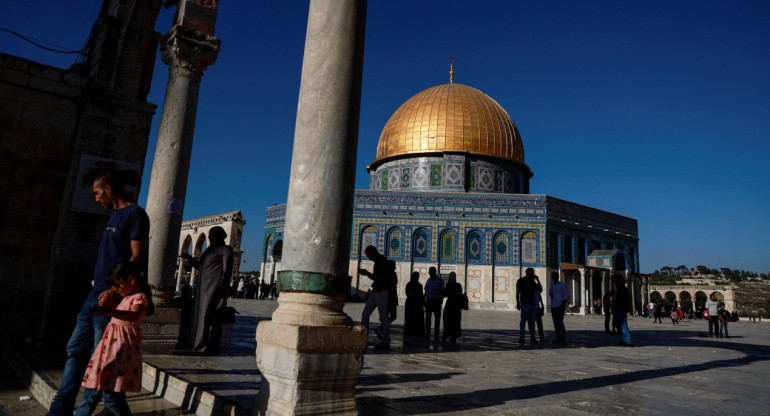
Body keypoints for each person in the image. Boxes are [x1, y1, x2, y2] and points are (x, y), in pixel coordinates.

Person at [48, 170, 151, 416]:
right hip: (93, 296)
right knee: (75, 350)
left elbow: (136, 256)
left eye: (96, 193)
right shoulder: (113, 216)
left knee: (99, 360)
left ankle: (81, 411)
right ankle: (60, 409)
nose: (95, 199)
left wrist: (115, 293)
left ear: (108, 189)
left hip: (109, 298)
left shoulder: (134, 214)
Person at [75, 261, 149, 416]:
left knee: (111, 396)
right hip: (111, 350)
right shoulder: (126, 297)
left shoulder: (139, 298)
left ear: (131, 281)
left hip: (120, 354)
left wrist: (111, 312)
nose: (115, 290)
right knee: (111, 392)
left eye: (117, 286)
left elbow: (134, 316)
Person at [176, 226, 233, 354]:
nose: (209, 238)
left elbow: (227, 271)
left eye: (212, 235)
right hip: (201, 292)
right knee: (198, 317)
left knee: (209, 317)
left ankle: (205, 345)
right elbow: (199, 266)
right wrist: (189, 258)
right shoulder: (208, 251)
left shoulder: (226, 250)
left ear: (219, 236)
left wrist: (223, 287)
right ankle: (193, 343)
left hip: (213, 290)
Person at [359, 246, 391, 349]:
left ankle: (385, 342)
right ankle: (364, 339)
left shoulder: (382, 262)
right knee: (365, 314)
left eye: (369, 255)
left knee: (383, 318)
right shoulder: (378, 262)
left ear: (373, 252)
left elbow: (382, 278)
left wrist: (367, 274)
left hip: (381, 293)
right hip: (375, 291)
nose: (369, 258)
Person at [516, 268, 539, 345]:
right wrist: (518, 303)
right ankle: (522, 337)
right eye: (532, 273)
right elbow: (517, 292)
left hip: (532, 305)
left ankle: (533, 337)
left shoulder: (533, 282)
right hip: (525, 304)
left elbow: (540, 289)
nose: (533, 274)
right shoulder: (521, 281)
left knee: (532, 322)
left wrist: (537, 280)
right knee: (523, 322)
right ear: (528, 273)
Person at [612, 275, 633, 347]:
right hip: (618, 309)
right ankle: (623, 339)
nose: (615, 283)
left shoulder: (623, 289)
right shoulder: (619, 288)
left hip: (622, 309)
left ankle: (628, 341)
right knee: (618, 325)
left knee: (623, 325)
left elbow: (628, 300)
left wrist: (631, 309)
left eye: (615, 281)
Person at [424, 266, 445, 338]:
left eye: (430, 271)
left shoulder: (440, 280)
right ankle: (428, 330)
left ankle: (436, 331)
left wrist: (440, 300)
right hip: (429, 301)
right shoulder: (429, 280)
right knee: (428, 317)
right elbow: (426, 290)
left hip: (436, 301)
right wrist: (424, 299)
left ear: (433, 272)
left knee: (437, 318)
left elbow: (443, 291)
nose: (429, 273)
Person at [442, 272, 464, 342]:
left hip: (451, 304)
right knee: (453, 320)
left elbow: (446, 294)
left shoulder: (450, 285)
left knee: (449, 319)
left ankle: (448, 334)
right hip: (456, 305)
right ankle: (453, 335)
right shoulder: (458, 285)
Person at [549, 272, 569, 345]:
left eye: (555, 276)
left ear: (557, 276)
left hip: (560, 307)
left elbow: (566, 295)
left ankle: (563, 339)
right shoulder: (553, 285)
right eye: (552, 276)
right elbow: (550, 292)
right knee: (555, 323)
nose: (553, 277)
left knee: (560, 323)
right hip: (554, 306)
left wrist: (562, 304)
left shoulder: (562, 285)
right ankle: (558, 338)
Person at [403, 271, 425, 337]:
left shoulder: (409, 284)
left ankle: (409, 331)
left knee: (410, 318)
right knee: (414, 318)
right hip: (415, 303)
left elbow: (408, 293)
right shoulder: (418, 285)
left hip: (411, 303)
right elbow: (419, 295)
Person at [534, 275, 545, 343]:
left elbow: (540, 290)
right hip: (531, 308)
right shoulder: (527, 286)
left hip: (537, 308)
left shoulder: (535, 286)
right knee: (531, 323)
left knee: (539, 323)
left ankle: (541, 336)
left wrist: (538, 280)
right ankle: (533, 337)